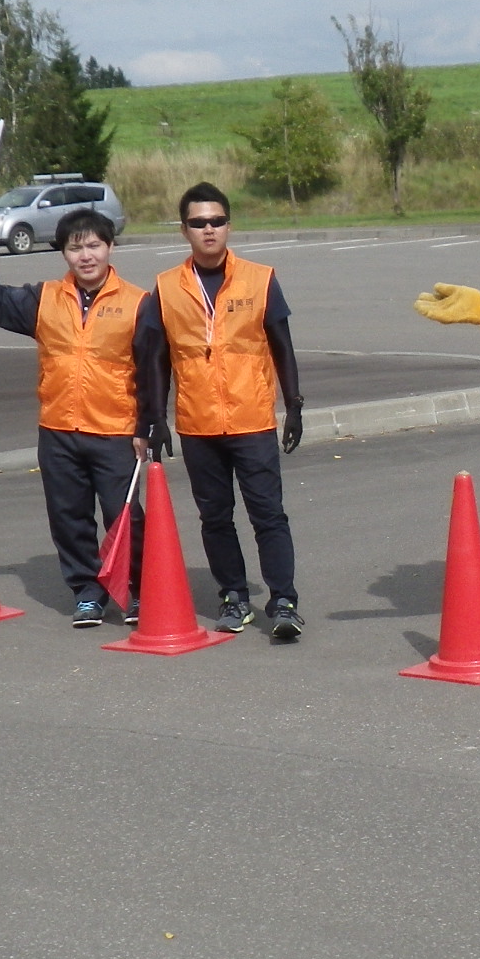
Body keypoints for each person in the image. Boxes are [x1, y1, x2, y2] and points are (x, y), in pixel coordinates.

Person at [134, 182, 305, 638]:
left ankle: (283, 600)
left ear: (229, 225)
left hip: (252, 419)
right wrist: (154, 418)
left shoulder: (260, 278)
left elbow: (282, 344)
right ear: (184, 230)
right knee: (215, 516)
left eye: (217, 221)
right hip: (198, 423)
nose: (208, 230)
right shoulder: (166, 288)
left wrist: (294, 405)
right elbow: (156, 357)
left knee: (268, 512)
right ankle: (234, 596)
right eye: (198, 223)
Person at [0, 208, 148, 626]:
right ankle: (88, 591)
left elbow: (153, 369)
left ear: (110, 247)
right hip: (59, 428)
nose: (86, 256)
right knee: (68, 516)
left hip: (115, 429)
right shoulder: (44, 297)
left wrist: (146, 425)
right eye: (75, 247)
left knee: (125, 516)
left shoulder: (138, 303)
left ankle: (136, 590)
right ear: (63, 252)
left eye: (94, 245)